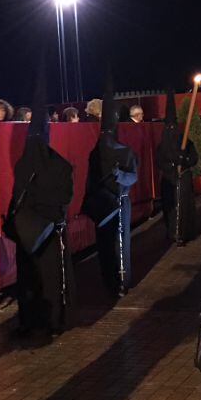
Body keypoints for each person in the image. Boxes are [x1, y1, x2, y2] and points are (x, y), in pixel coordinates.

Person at [7, 64, 75, 338]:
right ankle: (52, 320)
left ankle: (31, 319)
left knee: (31, 277)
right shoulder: (59, 164)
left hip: (29, 230)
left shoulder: (24, 162)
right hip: (48, 228)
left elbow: (18, 194)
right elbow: (65, 196)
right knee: (50, 277)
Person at [85, 73, 139, 297]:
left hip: (120, 201)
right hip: (104, 203)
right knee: (106, 244)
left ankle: (121, 280)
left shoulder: (125, 152)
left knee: (120, 243)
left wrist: (118, 175)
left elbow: (132, 176)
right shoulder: (95, 153)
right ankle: (111, 281)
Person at [156, 90, 198, 245]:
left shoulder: (186, 141)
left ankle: (184, 233)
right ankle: (172, 232)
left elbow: (194, 158)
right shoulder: (162, 145)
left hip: (184, 178)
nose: (171, 130)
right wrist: (172, 166)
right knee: (171, 208)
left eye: (173, 127)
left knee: (184, 207)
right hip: (169, 180)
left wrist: (184, 160)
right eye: (168, 127)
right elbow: (160, 162)